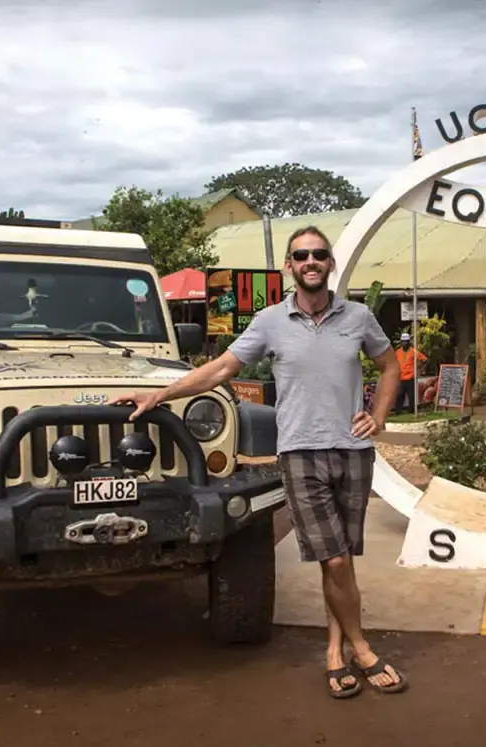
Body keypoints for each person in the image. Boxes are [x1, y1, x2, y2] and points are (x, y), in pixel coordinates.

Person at [108, 226, 407, 699]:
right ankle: (363, 648)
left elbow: (390, 366)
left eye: (319, 254)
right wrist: (160, 394)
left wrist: (379, 415)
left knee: (341, 560)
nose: (310, 261)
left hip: (352, 450)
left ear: (330, 263)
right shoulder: (270, 321)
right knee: (333, 558)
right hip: (300, 452)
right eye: (301, 255)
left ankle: (335, 651)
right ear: (289, 266)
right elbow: (221, 369)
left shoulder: (359, 317)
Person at [393, 333, 427, 412]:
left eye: (406, 341)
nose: (404, 343)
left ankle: (411, 411)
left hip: (411, 377)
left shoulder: (413, 351)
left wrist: (419, 368)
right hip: (401, 377)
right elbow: (393, 362)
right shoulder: (398, 352)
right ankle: (398, 411)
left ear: (409, 342)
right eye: (403, 341)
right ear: (401, 342)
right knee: (399, 395)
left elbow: (425, 360)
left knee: (411, 396)